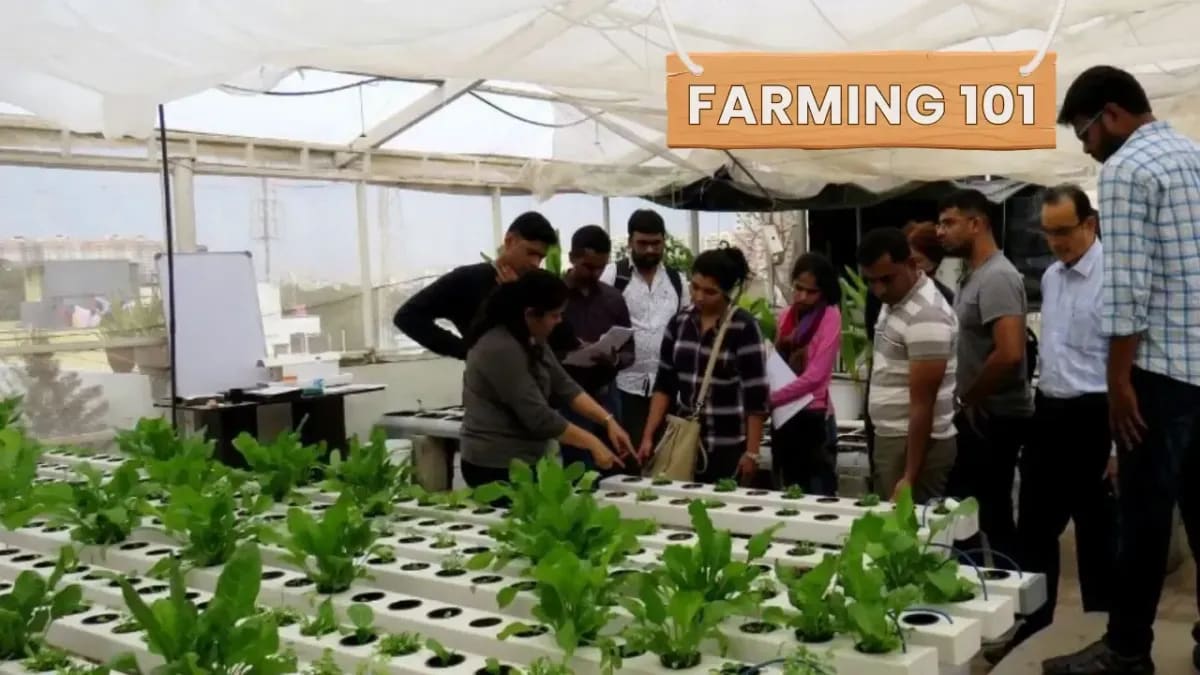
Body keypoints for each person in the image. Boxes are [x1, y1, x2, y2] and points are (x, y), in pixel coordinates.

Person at [1042, 65, 1200, 675]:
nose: (1085, 145)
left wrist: (1118, 383)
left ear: (1110, 114)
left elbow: (1128, 291)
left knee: (1142, 516)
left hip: (1157, 374)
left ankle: (1128, 649)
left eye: (1084, 132)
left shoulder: (1128, 168)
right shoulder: (1191, 155)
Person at [986, 185, 1118, 664]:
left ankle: (1102, 636)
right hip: (1051, 413)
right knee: (1035, 531)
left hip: (1097, 415)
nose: (1056, 242)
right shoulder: (1054, 279)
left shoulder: (1114, 276)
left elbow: (1126, 363)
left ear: (1090, 224)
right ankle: (1035, 627)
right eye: (1048, 232)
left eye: (1065, 231)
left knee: (1097, 537)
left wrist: (1118, 448)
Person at [393, 211, 558, 489]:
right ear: (509, 240)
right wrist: (466, 350)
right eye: (529, 252)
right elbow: (408, 316)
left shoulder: (535, 285)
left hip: (533, 406)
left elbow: (556, 333)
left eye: (540, 257)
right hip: (489, 415)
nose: (534, 263)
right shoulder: (468, 281)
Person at [458, 269, 634, 486]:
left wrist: (608, 421)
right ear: (530, 313)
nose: (559, 321)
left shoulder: (532, 339)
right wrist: (592, 442)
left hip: (527, 460)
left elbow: (566, 386)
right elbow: (539, 417)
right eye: (554, 315)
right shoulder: (500, 348)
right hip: (495, 465)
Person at [936, 188, 1033, 567]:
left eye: (949, 223)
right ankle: (974, 587)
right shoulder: (973, 276)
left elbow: (1009, 353)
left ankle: (1010, 594)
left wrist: (969, 398)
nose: (941, 232)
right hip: (979, 412)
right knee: (968, 512)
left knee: (988, 512)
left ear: (976, 224)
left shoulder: (998, 277)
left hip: (995, 416)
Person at [637, 246, 770, 484]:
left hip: (728, 445)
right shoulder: (679, 323)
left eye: (710, 292)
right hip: (683, 441)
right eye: (695, 287)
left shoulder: (743, 327)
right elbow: (664, 384)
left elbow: (756, 397)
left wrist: (752, 452)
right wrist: (648, 436)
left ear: (728, 292)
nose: (699, 297)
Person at [858, 228, 958, 503]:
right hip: (894, 437)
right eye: (870, 281)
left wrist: (910, 476)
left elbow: (923, 404)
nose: (877, 289)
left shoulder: (927, 315)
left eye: (885, 279)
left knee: (914, 537)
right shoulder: (895, 299)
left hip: (914, 445)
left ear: (912, 265)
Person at [600, 210, 686, 458]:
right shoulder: (613, 276)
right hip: (624, 387)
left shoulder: (677, 281)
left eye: (656, 243)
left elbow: (684, 328)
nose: (650, 250)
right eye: (643, 243)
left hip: (667, 389)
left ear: (664, 242)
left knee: (664, 459)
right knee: (627, 457)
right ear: (629, 243)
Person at [547, 225, 635, 471]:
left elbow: (630, 350)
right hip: (570, 398)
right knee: (579, 468)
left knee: (615, 464)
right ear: (573, 257)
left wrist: (615, 359)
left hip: (608, 394)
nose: (595, 273)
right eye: (588, 266)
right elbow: (540, 349)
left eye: (601, 267)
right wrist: (569, 356)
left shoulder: (613, 298)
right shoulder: (553, 297)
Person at [770, 253, 842, 494]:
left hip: (814, 416)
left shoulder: (830, 316)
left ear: (823, 291)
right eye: (798, 288)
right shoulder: (786, 317)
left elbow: (816, 377)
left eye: (810, 291)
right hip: (784, 417)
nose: (801, 296)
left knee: (818, 493)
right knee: (788, 492)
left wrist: (773, 398)